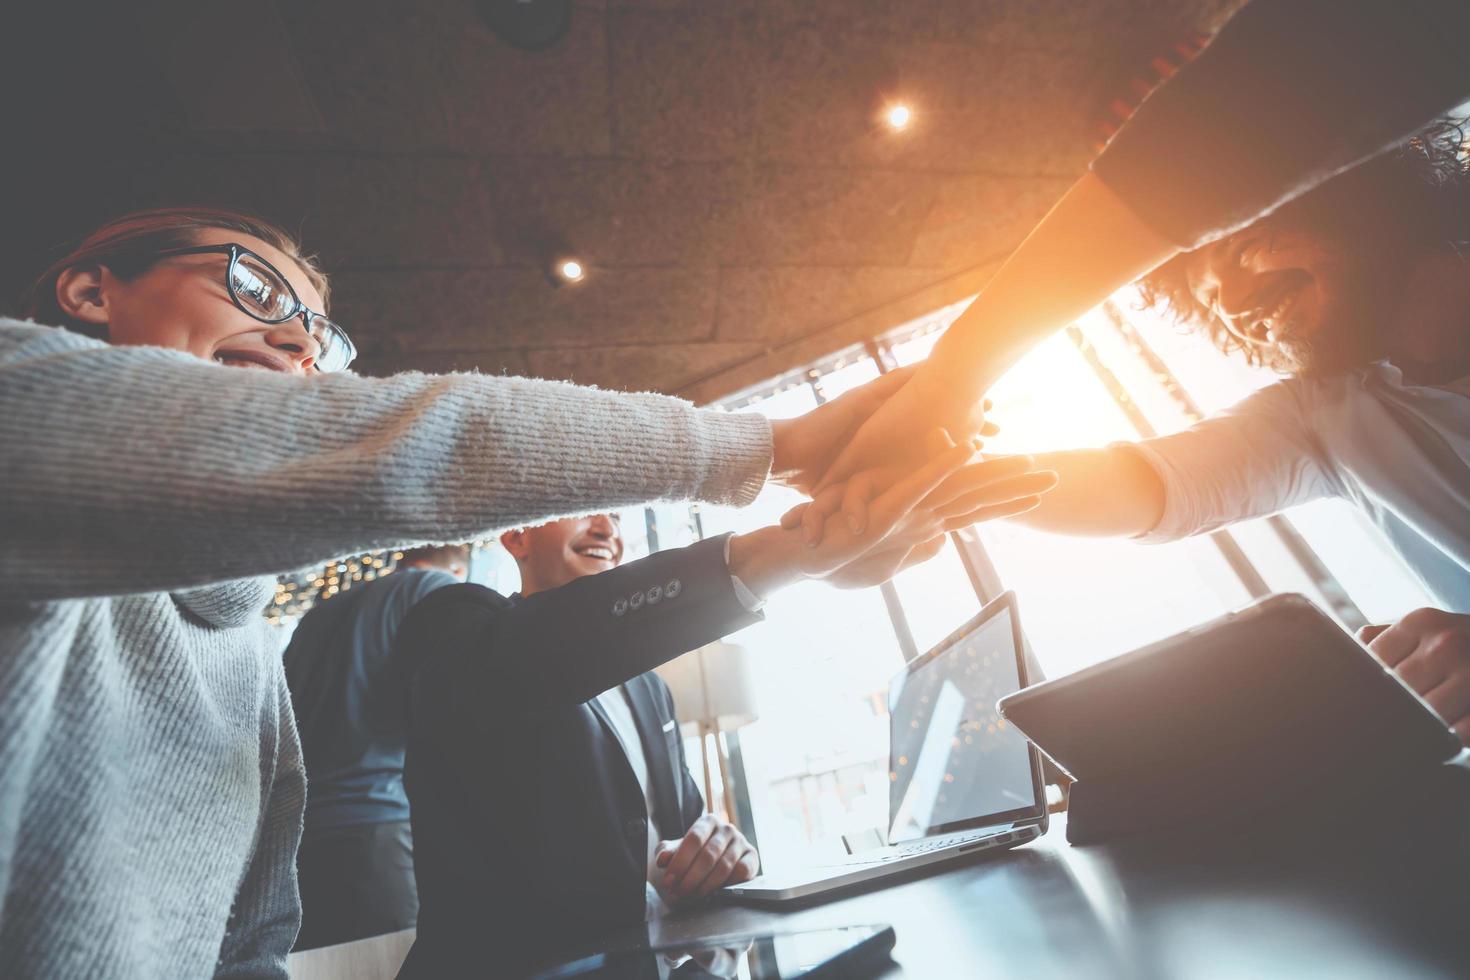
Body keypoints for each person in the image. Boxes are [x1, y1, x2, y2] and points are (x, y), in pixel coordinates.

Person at [0, 205, 998, 977]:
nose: (301, 343)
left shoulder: (248, 647)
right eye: (257, 287)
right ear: (90, 290)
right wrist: (768, 453)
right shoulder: (18, 400)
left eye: (319, 332)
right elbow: (408, 476)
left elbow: (251, 939)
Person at [799, 0, 1470, 746]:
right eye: (1206, 298)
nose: (1235, 303)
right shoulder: (1325, 417)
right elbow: (1150, 485)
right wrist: (941, 482)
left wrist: (944, 382)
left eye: (1237, 239)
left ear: (1347, 167)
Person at [396, 441, 1056, 976]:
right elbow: (531, 659)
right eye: (585, 506)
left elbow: (683, 830)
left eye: (618, 516)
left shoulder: (648, 688)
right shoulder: (454, 626)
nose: (606, 527)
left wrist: (720, 854)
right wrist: (786, 555)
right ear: (515, 535)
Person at [284, 544, 471, 951]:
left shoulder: (317, 616)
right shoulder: (435, 592)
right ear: (457, 569)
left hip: (300, 844)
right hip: (379, 831)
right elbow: (453, 713)